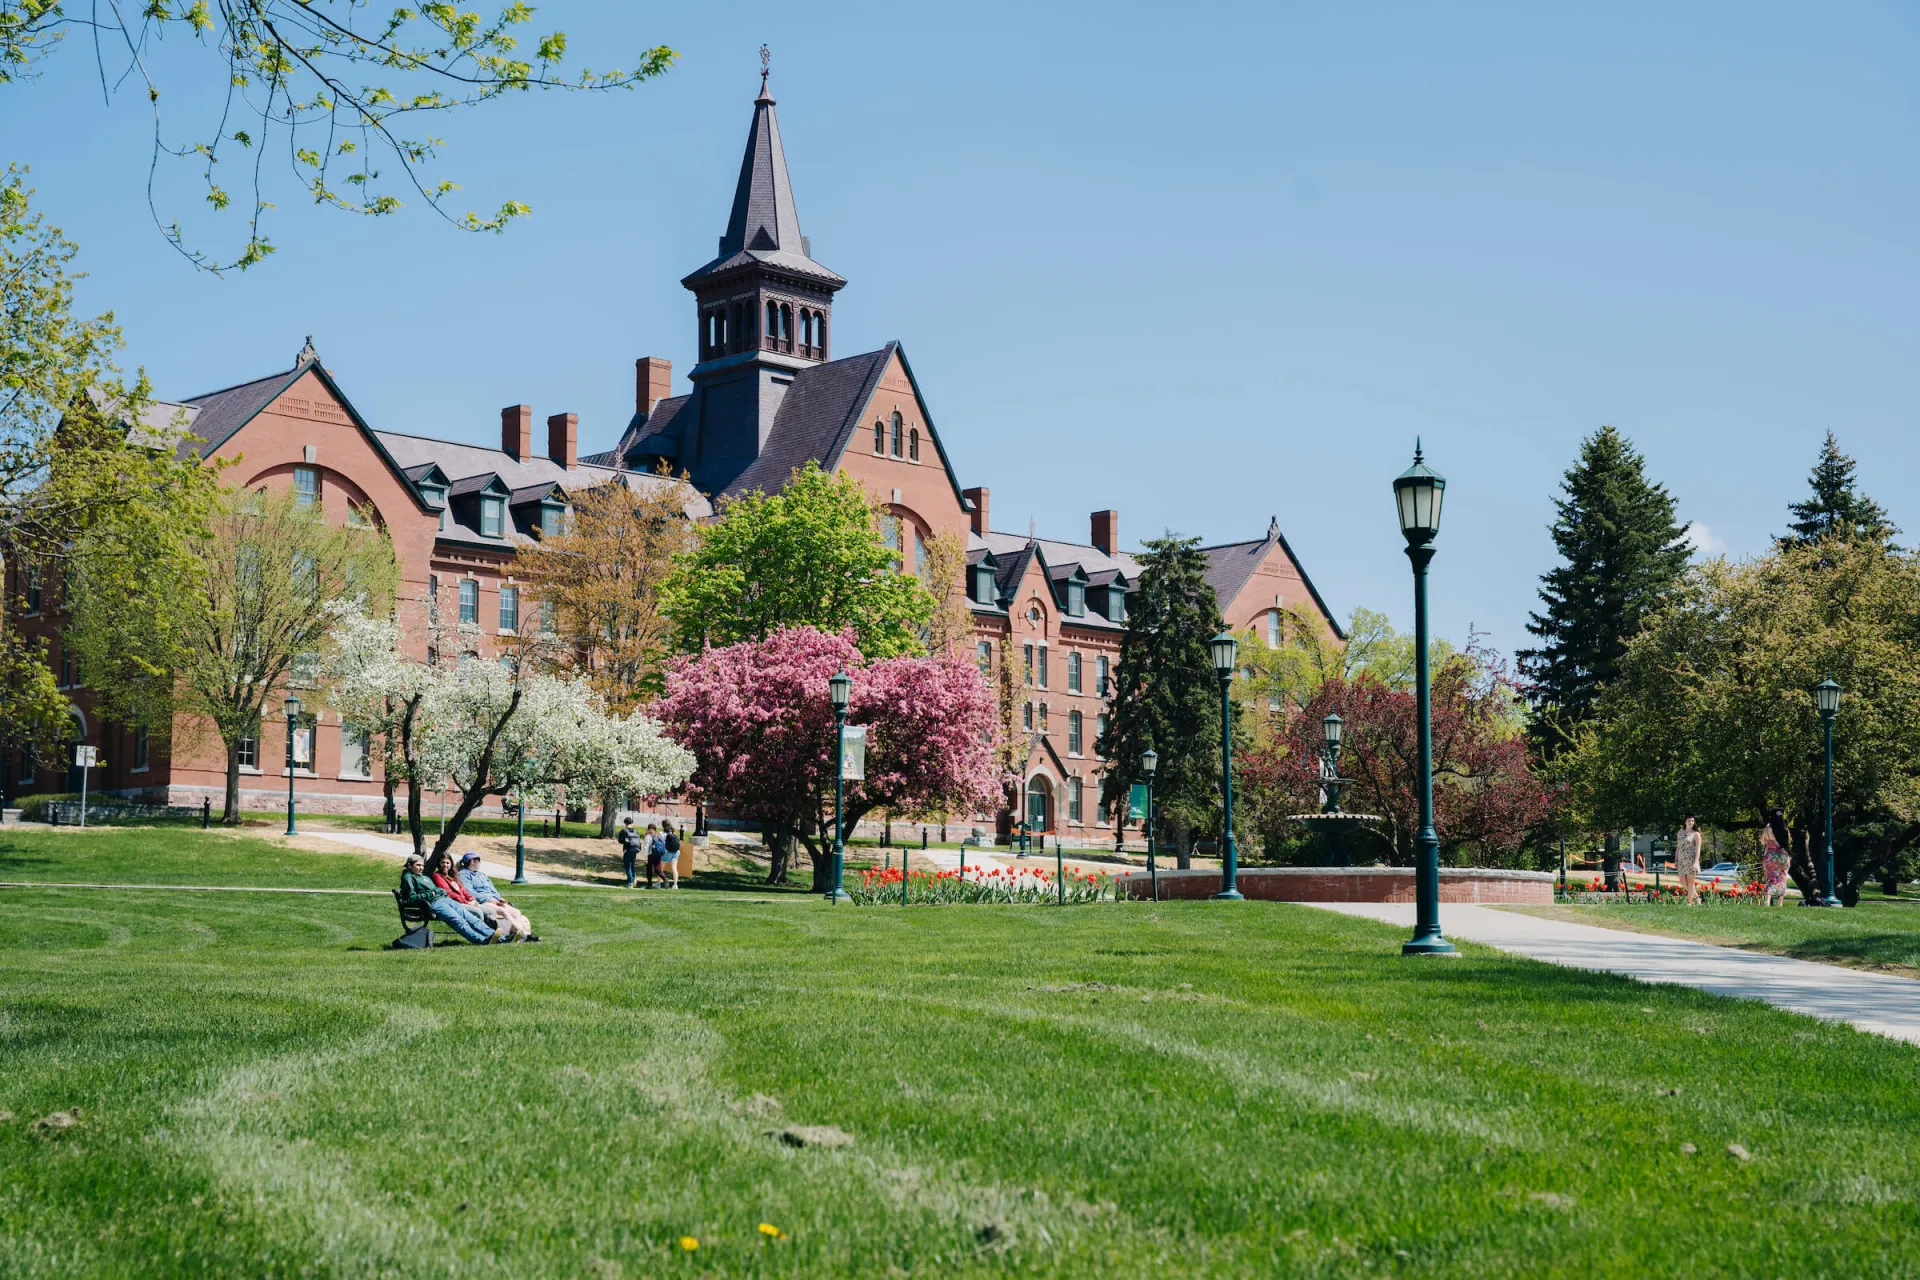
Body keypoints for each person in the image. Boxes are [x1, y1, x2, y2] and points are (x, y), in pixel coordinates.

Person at [398, 855, 502, 944]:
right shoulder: (408, 877)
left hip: (446, 900)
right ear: (409, 865)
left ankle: (500, 938)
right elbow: (412, 898)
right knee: (459, 921)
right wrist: (433, 893)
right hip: (434, 904)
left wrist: (440, 891)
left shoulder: (424, 877)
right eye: (418, 865)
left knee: (472, 919)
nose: (421, 868)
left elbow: (437, 890)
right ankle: (481, 940)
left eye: (422, 865)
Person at [428, 851, 523, 941]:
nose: (445, 865)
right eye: (443, 862)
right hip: (456, 904)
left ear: (451, 864)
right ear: (438, 864)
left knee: (491, 912)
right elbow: (449, 893)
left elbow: (464, 891)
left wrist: (471, 899)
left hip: (468, 902)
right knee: (478, 913)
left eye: (447, 863)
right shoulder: (437, 876)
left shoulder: (454, 876)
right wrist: (467, 902)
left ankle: (503, 935)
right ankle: (491, 936)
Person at [458, 851, 538, 940]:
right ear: (472, 861)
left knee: (516, 912)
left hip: (494, 901)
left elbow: (492, 889)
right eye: (479, 860)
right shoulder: (463, 874)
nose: (480, 863)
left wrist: (499, 898)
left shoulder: (482, 875)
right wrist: (489, 899)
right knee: (503, 911)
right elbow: (470, 892)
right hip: (482, 902)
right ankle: (525, 936)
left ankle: (521, 935)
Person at [1675, 815, 1703, 904]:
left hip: (1691, 860)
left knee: (1690, 882)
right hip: (1681, 860)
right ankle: (1697, 898)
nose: (1691, 822)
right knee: (1683, 882)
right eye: (1689, 820)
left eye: (1692, 821)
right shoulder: (1680, 833)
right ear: (1685, 821)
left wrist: (1696, 862)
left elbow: (1698, 849)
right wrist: (1676, 859)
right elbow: (1678, 847)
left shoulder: (1696, 834)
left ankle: (1689, 902)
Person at [1761, 828, 1792, 906]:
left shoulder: (1766, 829)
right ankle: (1780, 902)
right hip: (1782, 856)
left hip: (1770, 856)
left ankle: (1767, 901)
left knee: (1770, 878)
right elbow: (1787, 841)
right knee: (1782, 877)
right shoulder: (1784, 829)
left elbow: (1762, 841)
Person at [617, 816, 644, 888]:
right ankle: (634, 878)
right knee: (632, 865)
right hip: (635, 850)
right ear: (631, 822)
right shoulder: (636, 831)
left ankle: (630, 882)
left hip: (627, 850)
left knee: (627, 866)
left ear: (625, 823)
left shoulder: (624, 831)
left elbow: (620, 841)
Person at [661, 820, 682, 889]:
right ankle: (675, 884)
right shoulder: (674, 833)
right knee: (674, 868)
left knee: (661, 868)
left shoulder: (662, 834)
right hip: (675, 852)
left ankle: (658, 883)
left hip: (667, 852)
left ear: (662, 825)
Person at [644, 823, 665, 889]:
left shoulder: (648, 836)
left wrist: (645, 857)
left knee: (649, 869)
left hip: (650, 855)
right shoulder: (658, 836)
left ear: (649, 829)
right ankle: (665, 878)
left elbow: (646, 847)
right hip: (658, 854)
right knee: (657, 869)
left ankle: (649, 884)